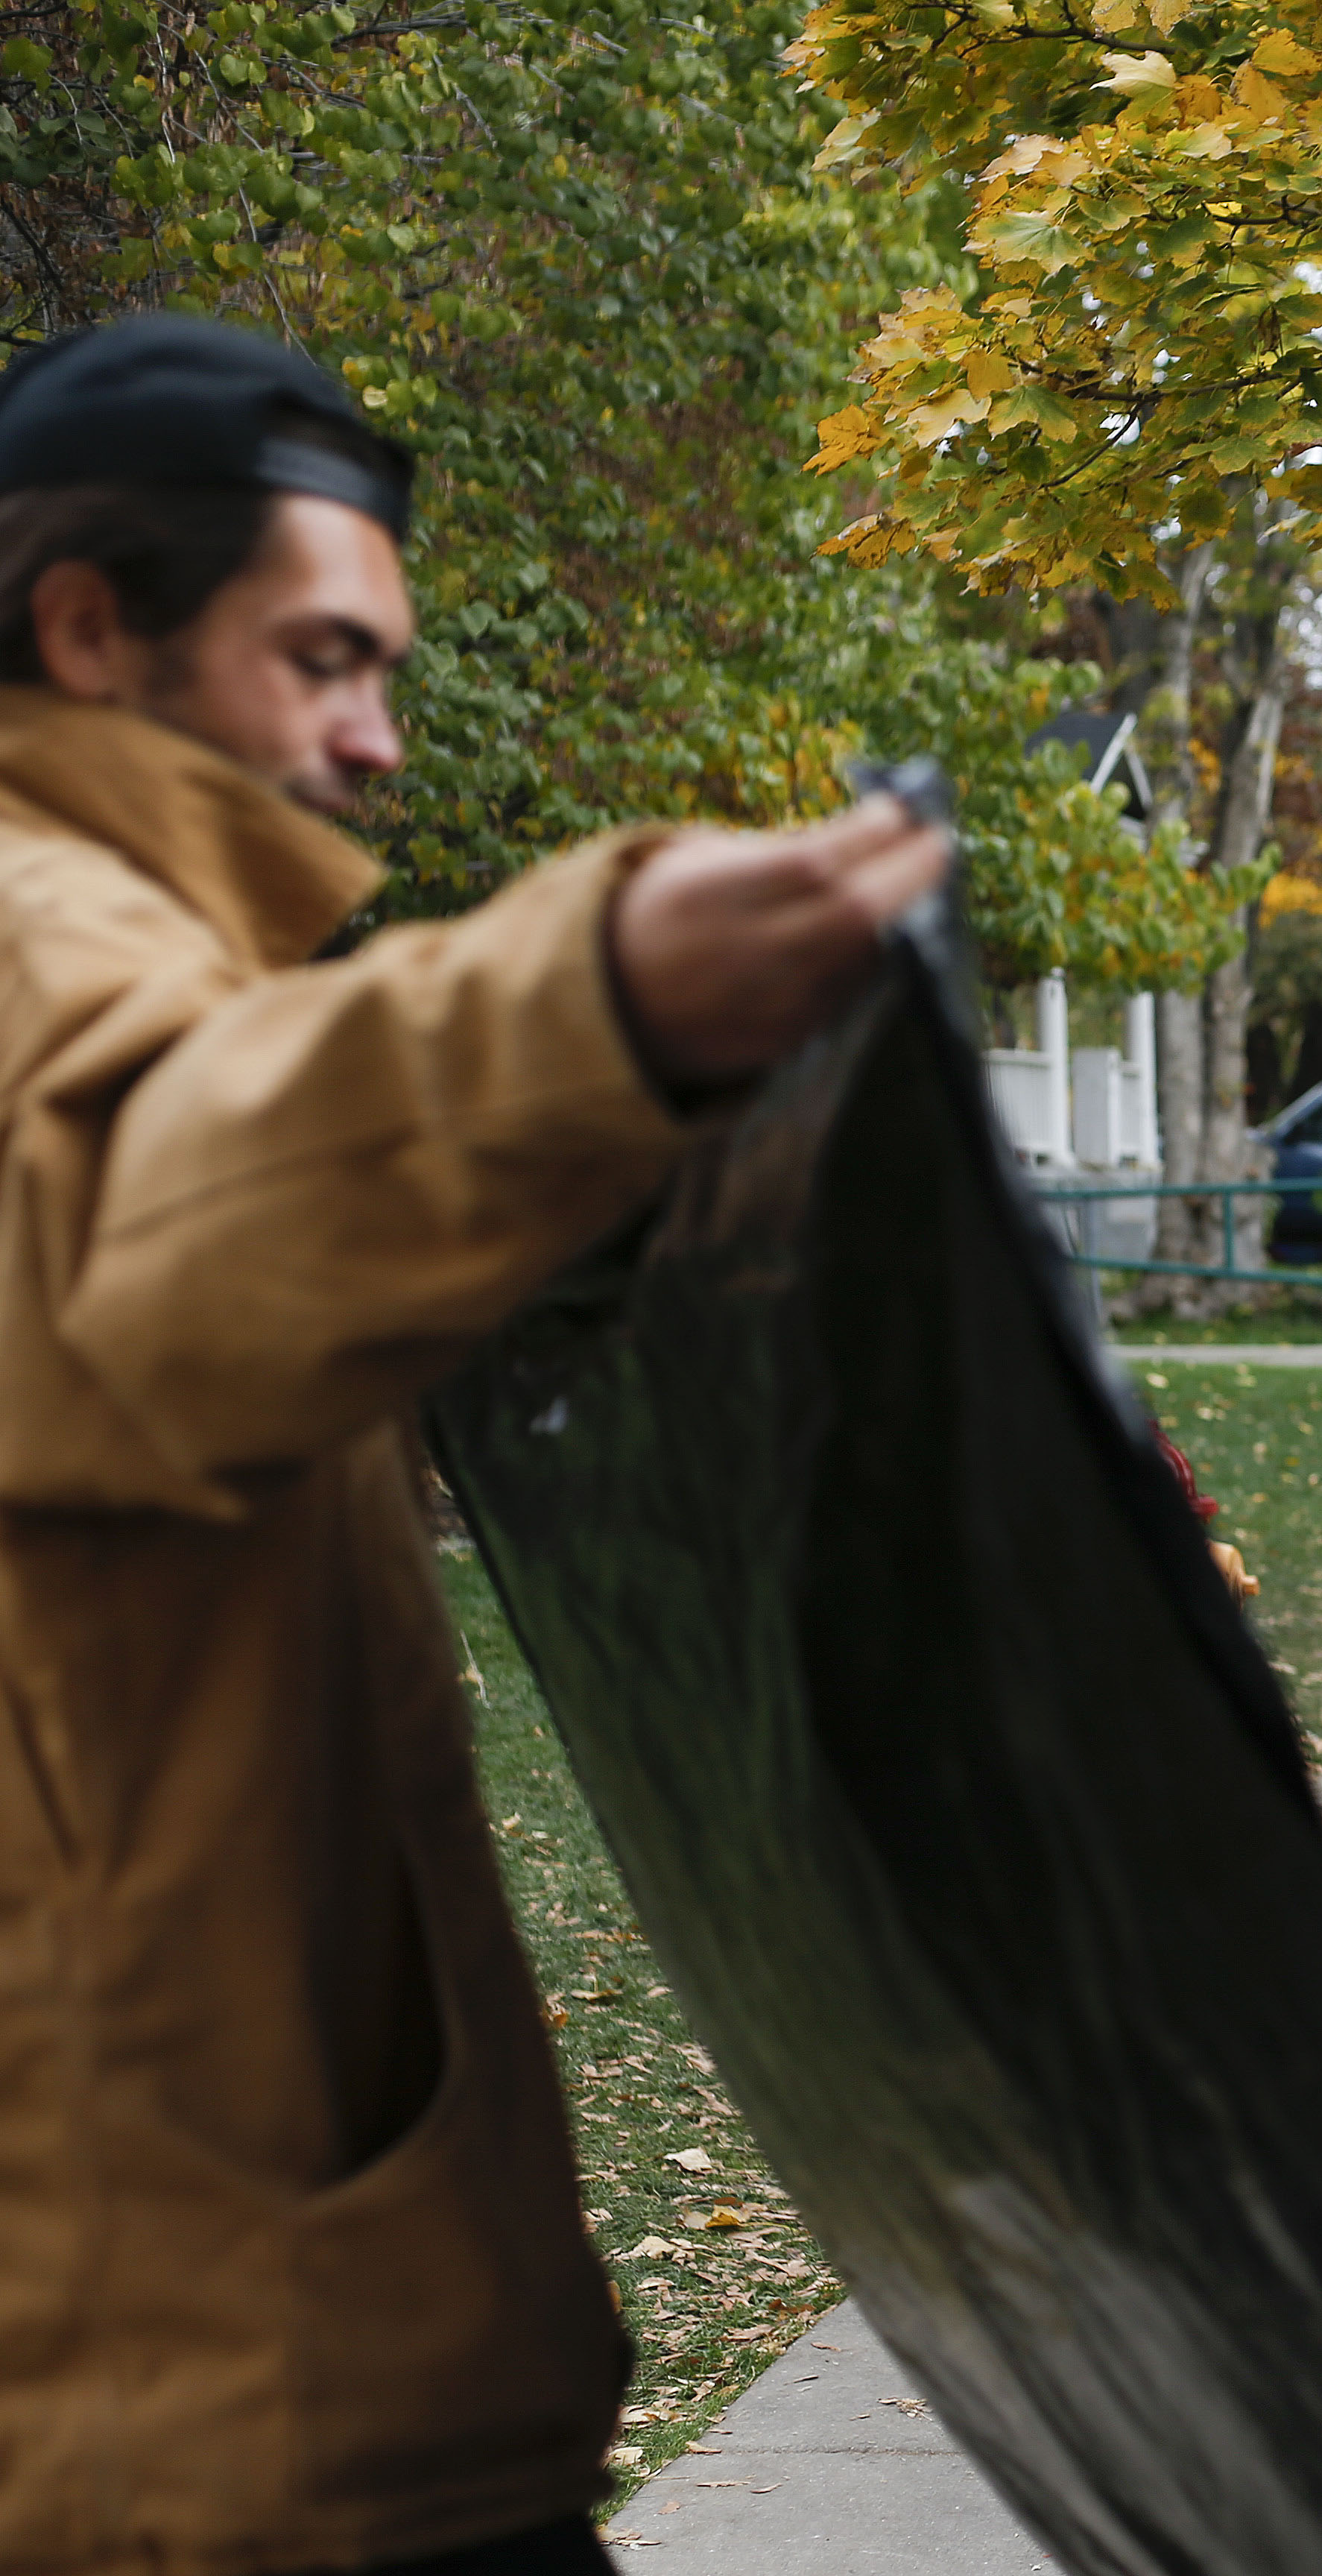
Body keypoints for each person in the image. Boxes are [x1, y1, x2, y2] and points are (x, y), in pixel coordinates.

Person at [0, 315, 945, 2576]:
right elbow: (152, 1203)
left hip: (237, 2367)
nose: (377, 738)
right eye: (326, 658)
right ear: (89, 628)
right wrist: (591, 998)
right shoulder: (38, 945)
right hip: (193, 2430)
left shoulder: (141, 945)